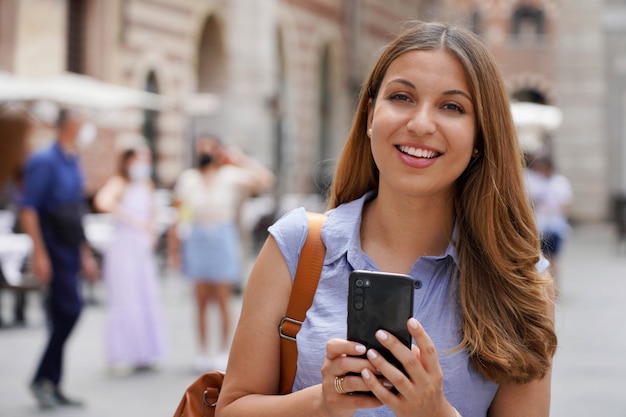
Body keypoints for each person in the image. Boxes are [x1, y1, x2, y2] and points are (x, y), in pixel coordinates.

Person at [215, 21, 557, 417]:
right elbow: (231, 409)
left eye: (452, 107)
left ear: (481, 136)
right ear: (370, 115)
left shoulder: (520, 282)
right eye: (402, 97)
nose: (421, 124)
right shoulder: (297, 246)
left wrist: (435, 413)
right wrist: (321, 402)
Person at [169, 134, 275, 372]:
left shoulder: (230, 176)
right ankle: (203, 352)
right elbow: (179, 213)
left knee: (222, 298)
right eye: (201, 146)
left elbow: (266, 180)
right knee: (200, 299)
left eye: (210, 146)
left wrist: (240, 159)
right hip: (197, 236)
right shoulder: (188, 179)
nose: (205, 150)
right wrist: (175, 249)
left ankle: (223, 351)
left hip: (222, 236)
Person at [19, 108, 98, 409]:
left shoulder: (73, 159)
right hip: (52, 247)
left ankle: (52, 382)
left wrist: (85, 254)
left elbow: (76, 212)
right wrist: (39, 253)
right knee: (69, 310)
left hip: (69, 245)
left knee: (63, 316)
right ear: (72, 125)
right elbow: (28, 209)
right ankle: (42, 378)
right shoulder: (43, 161)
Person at [94, 146, 167, 375]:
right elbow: (102, 201)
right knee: (125, 298)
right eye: (139, 158)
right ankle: (121, 354)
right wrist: (130, 219)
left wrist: (151, 230)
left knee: (144, 296)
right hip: (123, 247)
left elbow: (153, 212)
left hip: (141, 248)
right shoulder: (119, 183)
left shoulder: (146, 185)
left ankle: (143, 353)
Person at [525, 152, 573, 284]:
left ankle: (554, 285)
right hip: (539, 225)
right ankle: (544, 285)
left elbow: (567, 204)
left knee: (554, 258)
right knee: (540, 258)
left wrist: (552, 209)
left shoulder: (560, 183)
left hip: (555, 226)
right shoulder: (534, 182)